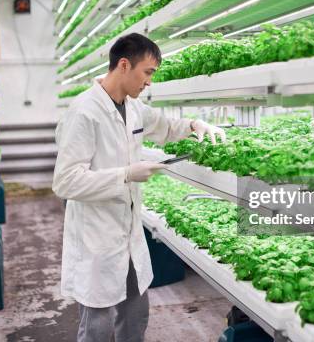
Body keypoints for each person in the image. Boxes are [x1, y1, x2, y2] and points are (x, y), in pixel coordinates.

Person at [52, 33, 226, 342]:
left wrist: (194, 126)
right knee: (98, 327)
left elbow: (163, 125)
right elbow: (65, 182)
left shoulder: (132, 107)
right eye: (147, 72)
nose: (149, 82)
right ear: (123, 65)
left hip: (128, 233)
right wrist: (125, 174)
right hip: (97, 237)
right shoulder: (84, 112)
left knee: (136, 315)